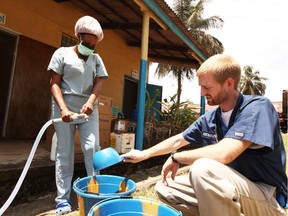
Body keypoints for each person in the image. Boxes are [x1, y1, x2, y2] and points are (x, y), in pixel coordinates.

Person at [123, 54, 287, 216]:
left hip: (266, 197)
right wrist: (144, 154)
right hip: (233, 190)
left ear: (229, 83)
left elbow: (224, 153)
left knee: (202, 169)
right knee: (165, 188)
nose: (202, 93)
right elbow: (178, 140)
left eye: (207, 87)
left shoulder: (257, 107)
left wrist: (176, 158)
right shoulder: (212, 118)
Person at [48, 15, 108, 215]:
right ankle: (62, 200)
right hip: (64, 107)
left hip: (88, 109)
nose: (89, 49)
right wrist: (64, 109)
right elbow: (54, 83)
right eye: (86, 44)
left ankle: (94, 192)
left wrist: (91, 102)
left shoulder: (96, 59)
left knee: (92, 148)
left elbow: (99, 82)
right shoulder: (62, 53)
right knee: (64, 153)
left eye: (93, 46)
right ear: (78, 36)